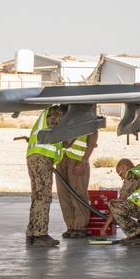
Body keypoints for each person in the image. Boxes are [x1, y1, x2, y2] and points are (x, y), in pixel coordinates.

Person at [25, 105, 66, 247]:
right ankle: (40, 235)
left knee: (37, 196)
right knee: (43, 196)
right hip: (42, 156)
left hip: (36, 156)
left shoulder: (48, 112)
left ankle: (32, 232)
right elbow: (55, 132)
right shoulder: (57, 112)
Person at [57, 127, 97, 239]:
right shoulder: (64, 117)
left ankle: (80, 226)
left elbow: (91, 144)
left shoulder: (89, 119)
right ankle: (70, 225)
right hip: (61, 159)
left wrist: (83, 161)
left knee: (78, 192)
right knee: (63, 193)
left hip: (77, 160)